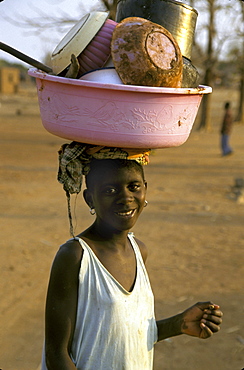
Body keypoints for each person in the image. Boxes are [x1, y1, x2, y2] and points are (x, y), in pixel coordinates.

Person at [42, 142, 223, 370]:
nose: (125, 197)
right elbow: (56, 354)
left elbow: (126, 333)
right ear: (90, 199)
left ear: (145, 189)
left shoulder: (139, 251)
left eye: (133, 187)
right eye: (110, 191)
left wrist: (179, 324)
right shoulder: (76, 256)